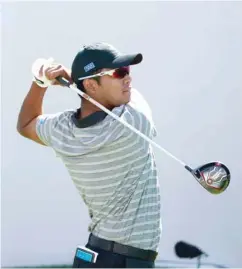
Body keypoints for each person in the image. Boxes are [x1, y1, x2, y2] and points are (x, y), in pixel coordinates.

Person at [17, 42, 161, 268]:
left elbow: (26, 124)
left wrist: (41, 82)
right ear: (92, 86)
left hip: (95, 255)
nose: (128, 79)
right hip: (129, 261)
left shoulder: (63, 130)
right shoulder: (132, 123)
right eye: (119, 72)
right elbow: (131, 97)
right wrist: (73, 79)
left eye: (128, 71)